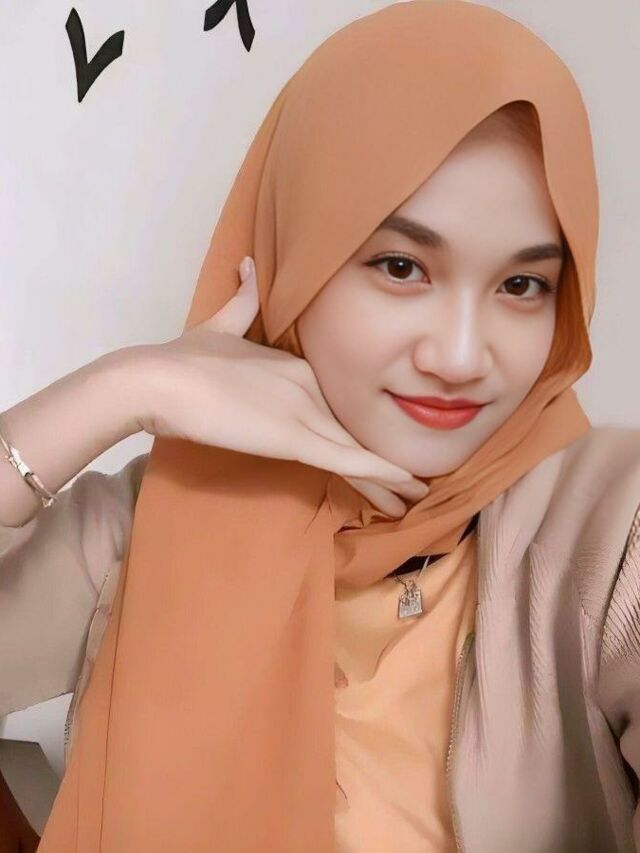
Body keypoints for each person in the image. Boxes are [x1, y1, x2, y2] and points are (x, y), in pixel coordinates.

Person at [1, 1, 639, 850]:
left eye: (522, 286)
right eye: (401, 266)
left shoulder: (608, 529)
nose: (459, 356)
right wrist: (123, 387)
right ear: (295, 264)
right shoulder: (150, 524)